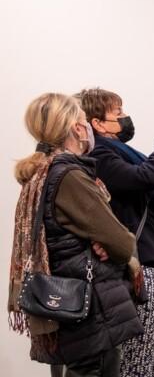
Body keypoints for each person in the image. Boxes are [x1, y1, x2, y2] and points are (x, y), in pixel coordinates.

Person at [8, 92, 144, 374]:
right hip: (92, 313)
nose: (89, 129)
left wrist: (103, 238)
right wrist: (119, 242)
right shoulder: (69, 176)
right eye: (84, 121)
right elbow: (119, 243)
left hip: (66, 307)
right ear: (77, 128)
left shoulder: (40, 172)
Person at [75, 87, 154, 377]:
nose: (126, 116)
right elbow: (147, 176)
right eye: (118, 112)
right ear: (98, 124)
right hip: (138, 264)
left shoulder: (122, 152)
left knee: (150, 350)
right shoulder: (100, 153)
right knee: (138, 356)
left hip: (152, 258)